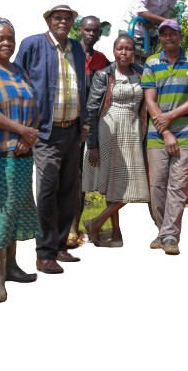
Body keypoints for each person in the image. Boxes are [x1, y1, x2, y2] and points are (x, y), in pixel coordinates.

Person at [14, 0, 88, 274]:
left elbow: (82, 85)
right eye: (57, 17)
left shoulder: (77, 49)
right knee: (46, 191)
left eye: (67, 18)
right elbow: (19, 84)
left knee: (69, 191)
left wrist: (85, 124)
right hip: (45, 132)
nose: (62, 22)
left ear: (72, 22)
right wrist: (23, 127)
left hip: (72, 131)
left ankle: (59, 247)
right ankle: (44, 254)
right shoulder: (32, 44)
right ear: (48, 20)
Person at [0, 17, 40, 303]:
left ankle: (13, 267)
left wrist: (27, 137)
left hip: (22, 152)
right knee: (1, 213)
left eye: (10, 38)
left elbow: (33, 105)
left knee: (16, 211)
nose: (6, 43)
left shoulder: (19, 70)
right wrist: (21, 131)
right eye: (0, 39)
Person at [141, 19, 188, 256]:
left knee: (178, 187)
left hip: (187, 134)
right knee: (157, 186)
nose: (169, 38)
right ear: (160, 38)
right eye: (164, 35)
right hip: (158, 135)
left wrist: (171, 116)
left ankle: (170, 236)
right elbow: (150, 100)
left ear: (180, 36)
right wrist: (166, 130)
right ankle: (163, 232)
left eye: (173, 34)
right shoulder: (151, 63)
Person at [82, 34, 149, 247]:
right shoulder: (104, 75)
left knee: (132, 183)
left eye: (128, 48)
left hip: (132, 130)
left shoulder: (140, 73)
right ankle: (116, 231)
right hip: (109, 129)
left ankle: (96, 222)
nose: (124, 53)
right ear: (114, 51)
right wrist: (92, 145)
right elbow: (92, 110)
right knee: (115, 182)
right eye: (120, 48)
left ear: (133, 52)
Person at [66, 15, 109, 249]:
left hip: (89, 126)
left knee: (81, 178)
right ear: (79, 31)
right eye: (87, 30)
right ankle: (65, 229)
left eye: (95, 31)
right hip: (67, 123)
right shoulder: (70, 53)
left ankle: (75, 227)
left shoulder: (101, 60)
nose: (91, 34)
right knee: (67, 177)